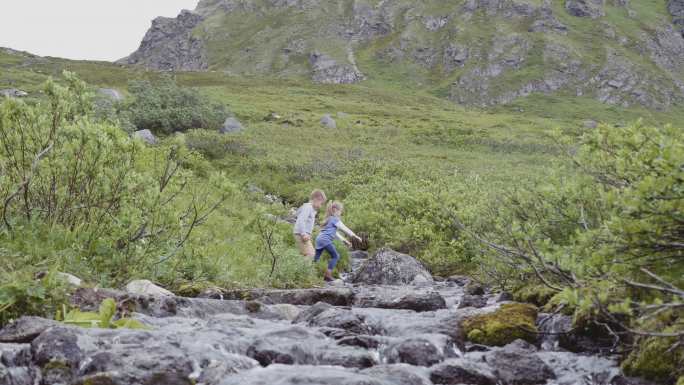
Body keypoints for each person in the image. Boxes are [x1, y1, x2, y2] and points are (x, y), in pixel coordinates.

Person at [314, 201, 362, 282]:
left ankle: (311, 273)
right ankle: (328, 275)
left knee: (316, 259)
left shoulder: (329, 219)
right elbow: (345, 229)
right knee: (335, 256)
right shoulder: (335, 219)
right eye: (340, 211)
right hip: (325, 240)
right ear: (335, 210)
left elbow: (335, 234)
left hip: (319, 239)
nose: (340, 213)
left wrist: (344, 241)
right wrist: (355, 236)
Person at [293, 189, 327, 258]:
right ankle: (302, 268)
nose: (321, 206)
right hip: (301, 234)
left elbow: (298, 215)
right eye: (321, 203)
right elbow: (301, 220)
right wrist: (304, 234)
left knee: (305, 255)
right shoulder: (308, 207)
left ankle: (299, 267)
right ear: (316, 199)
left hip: (303, 234)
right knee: (311, 254)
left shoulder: (311, 209)